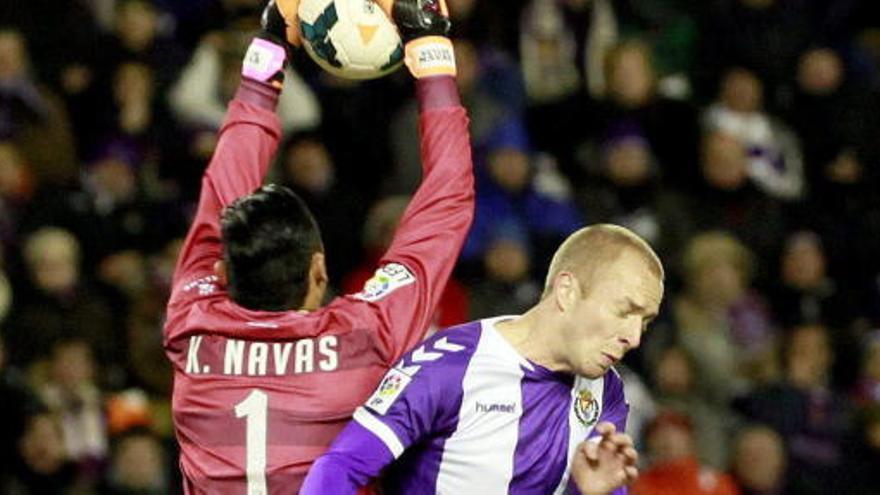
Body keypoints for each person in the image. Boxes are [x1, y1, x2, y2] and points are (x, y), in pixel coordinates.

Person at [162, 0, 474, 492]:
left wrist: (266, 47)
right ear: (319, 271)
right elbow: (447, 200)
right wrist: (431, 51)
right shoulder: (364, 334)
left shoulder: (191, 317)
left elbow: (222, 189)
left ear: (223, 273)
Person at [302, 224, 664, 494]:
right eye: (624, 311)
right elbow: (339, 468)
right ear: (567, 291)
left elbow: (597, 485)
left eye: (644, 322)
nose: (633, 337)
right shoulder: (451, 366)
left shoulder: (607, 391)